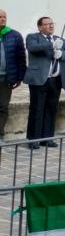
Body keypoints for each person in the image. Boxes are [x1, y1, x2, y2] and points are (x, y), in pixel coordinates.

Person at [23, 17, 65, 148]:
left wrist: (61, 54)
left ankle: (47, 138)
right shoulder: (33, 37)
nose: (50, 26)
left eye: (52, 24)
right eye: (47, 24)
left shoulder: (59, 39)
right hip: (39, 79)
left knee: (51, 109)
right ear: (40, 27)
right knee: (37, 109)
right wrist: (51, 45)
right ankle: (33, 139)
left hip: (55, 80)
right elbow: (32, 48)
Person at [0, 10, 26, 142]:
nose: (2, 19)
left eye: (4, 17)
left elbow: (21, 57)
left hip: (5, 78)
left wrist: (20, 77)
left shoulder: (14, 35)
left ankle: (0, 133)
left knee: (3, 106)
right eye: (0, 17)